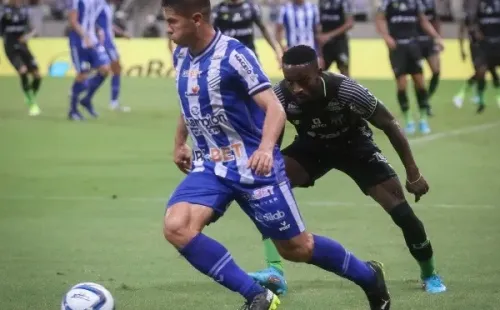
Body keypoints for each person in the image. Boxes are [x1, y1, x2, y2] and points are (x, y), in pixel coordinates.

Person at [161, 0, 391, 309]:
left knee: (296, 248)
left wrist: (267, 149)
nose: (167, 28)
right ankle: (257, 296)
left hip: (254, 167)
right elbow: (187, 102)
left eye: (173, 21)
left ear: (198, 19)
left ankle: (368, 276)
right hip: (211, 166)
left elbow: (275, 108)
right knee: (177, 226)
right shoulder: (181, 55)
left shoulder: (235, 56)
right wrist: (179, 142)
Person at [248, 44, 447, 296]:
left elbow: (388, 123)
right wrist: (269, 167)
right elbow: (271, 137)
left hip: (355, 147)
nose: (296, 88)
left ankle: (429, 273)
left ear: (319, 71)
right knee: (268, 191)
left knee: (403, 214)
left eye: (303, 81)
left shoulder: (346, 90)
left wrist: (413, 173)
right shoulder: (281, 96)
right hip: (312, 147)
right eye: (290, 82)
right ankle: (275, 272)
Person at [375, 0, 443, 135]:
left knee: (420, 83)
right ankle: (408, 120)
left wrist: (437, 37)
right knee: (401, 85)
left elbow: (423, 21)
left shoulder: (415, 2)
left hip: (413, 46)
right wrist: (386, 36)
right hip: (397, 48)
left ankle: (423, 119)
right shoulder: (388, 3)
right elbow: (380, 19)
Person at [68, 0, 111, 120]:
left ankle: (86, 99)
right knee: (82, 75)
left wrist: (98, 30)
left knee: (105, 69)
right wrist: (84, 36)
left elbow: (91, 17)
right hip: (78, 42)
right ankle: (73, 110)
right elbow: (72, 21)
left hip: (92, 40)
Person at [453, 0, 500, 109]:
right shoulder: (472, 13)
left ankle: (475, 96)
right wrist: (461, 50)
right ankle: (466, 95)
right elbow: (462, 32)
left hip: (491, 45)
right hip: (477, 47)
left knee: (489, 72)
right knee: (481, 72)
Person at [0, 0, 41, 116]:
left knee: (37, 75)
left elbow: (33, 30)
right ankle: (32, 103)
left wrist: (28, 36)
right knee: (23, 70)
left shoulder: (24, 10)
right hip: (10, 47)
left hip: (23, 46)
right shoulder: (4, 11)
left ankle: (30, 95)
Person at [212, 0, 282, 65]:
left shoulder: (252, 7)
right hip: (226, 59)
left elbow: (264, 29)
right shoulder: (217, 10)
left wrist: (277, 50)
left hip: (249, 57)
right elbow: (210, 34)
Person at [96, 0, 130, 112]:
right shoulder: (99, 5)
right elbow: (91, 21)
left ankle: (114, 102)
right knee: (113, 69)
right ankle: (113, 102)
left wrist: (121, 33)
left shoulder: (108, 6)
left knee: (114, 69)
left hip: (110, 42)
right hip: (105, 42)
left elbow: (108, 25)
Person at [468, 0, 500, 113]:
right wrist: (476, 31)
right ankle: (481, 102)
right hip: (485, 45)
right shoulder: (480, 5)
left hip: (498, 43)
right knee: (481, 71)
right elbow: (473, 22)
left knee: (493, 74)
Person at [276, 0, 322, 65]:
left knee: (310, 73)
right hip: (293, 50)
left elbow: (318, 32)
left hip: (310, 50)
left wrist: (320, 55)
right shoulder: (285, 8)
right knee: (295, 73)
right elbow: (278, 30)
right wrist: (282, 47)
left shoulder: (313, 8)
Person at [316, 0, 354, 76]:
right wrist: (319, 35)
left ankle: (347, 88)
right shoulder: (321, 2)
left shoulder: (344, 2)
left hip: (340, 43)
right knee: (318, 73)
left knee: (345, 72)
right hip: (324, 44)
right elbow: (317, 22)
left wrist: (329, 35)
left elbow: (350, 23)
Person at [417, 0, 441, 115]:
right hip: (415, 42)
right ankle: (423, 103)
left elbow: (435, 20)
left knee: (436, 71)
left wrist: (438, 38)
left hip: (429, 42)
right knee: (417, 76)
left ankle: (426, 99)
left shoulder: (430, 2)